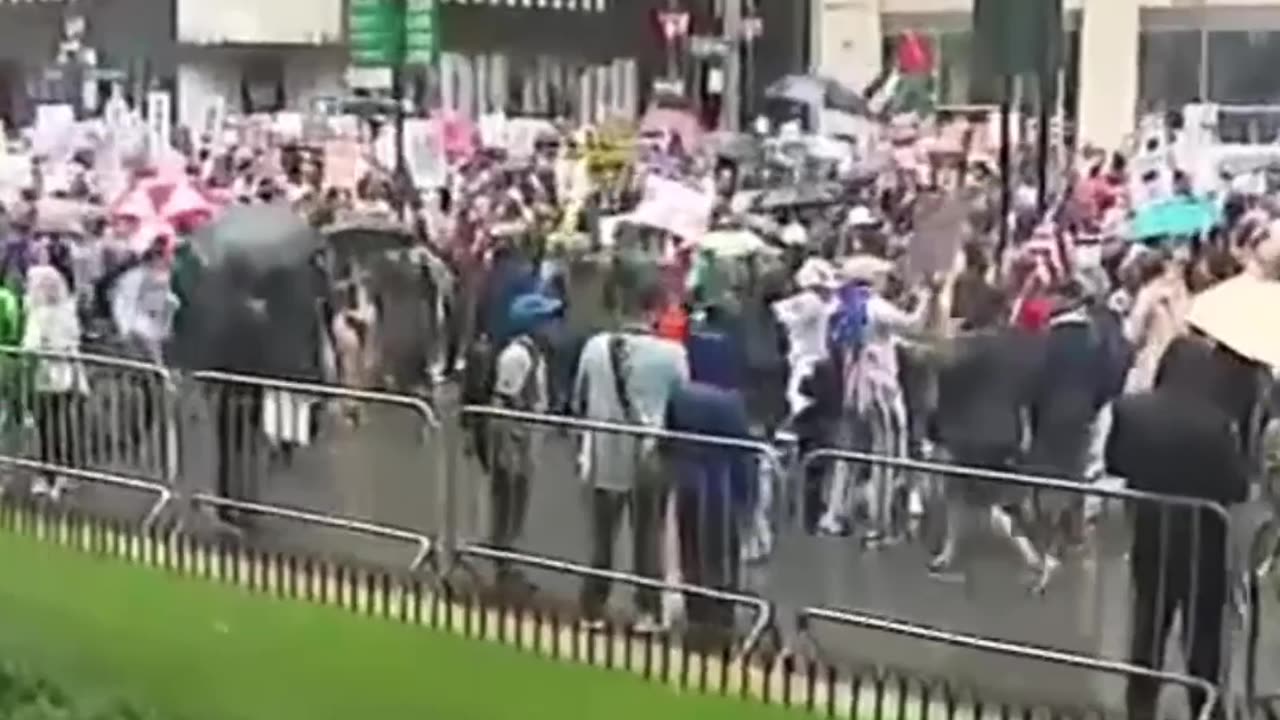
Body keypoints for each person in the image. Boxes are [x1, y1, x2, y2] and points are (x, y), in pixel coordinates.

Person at [1106, 336, 1251, 720]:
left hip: (1151, 531)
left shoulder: (1131, 410)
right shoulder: (1217, 421)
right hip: (1205, 540)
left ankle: (1140, 705)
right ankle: (1204, 706)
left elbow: (1115, 463)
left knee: (1148, 620)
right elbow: (1235, 487)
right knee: (1202, 633)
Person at [573, 275, 689, 633]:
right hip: (649, 454)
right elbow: (682, 403)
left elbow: (579, 396)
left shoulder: (595, 347)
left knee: (602, 536)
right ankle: (647, 612)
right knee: (647, 537)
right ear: (655, 310)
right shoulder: (672, 354)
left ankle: (592, 607)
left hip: (603, 450)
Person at [664, 381, 753, 650]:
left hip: (688, 480)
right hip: (719, 487)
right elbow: (743, 456)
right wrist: (748, 500)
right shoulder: (732, 406)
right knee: (723, 552)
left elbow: (669, 438)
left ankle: (697, 610)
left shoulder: (681, 396)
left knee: (690, 546)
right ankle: (722, 615)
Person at [487, 292, 562, 592]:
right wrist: (510, 449)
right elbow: (504, 402)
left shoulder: (534, 354)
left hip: (527, 440)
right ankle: (504, 562)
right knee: (509, 501)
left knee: (517, 502)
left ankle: (509, 559)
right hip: (515, 441)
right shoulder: (516, 356)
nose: (553, 326)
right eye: (546, 320)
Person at [22, 263, 87, 501]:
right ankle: (65, 473)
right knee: (63, 427)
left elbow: (31, 345)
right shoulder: (68, 312)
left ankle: (47, 475)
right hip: (68, 377)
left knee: (46, 429)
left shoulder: (39, 314)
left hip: (45, 377)